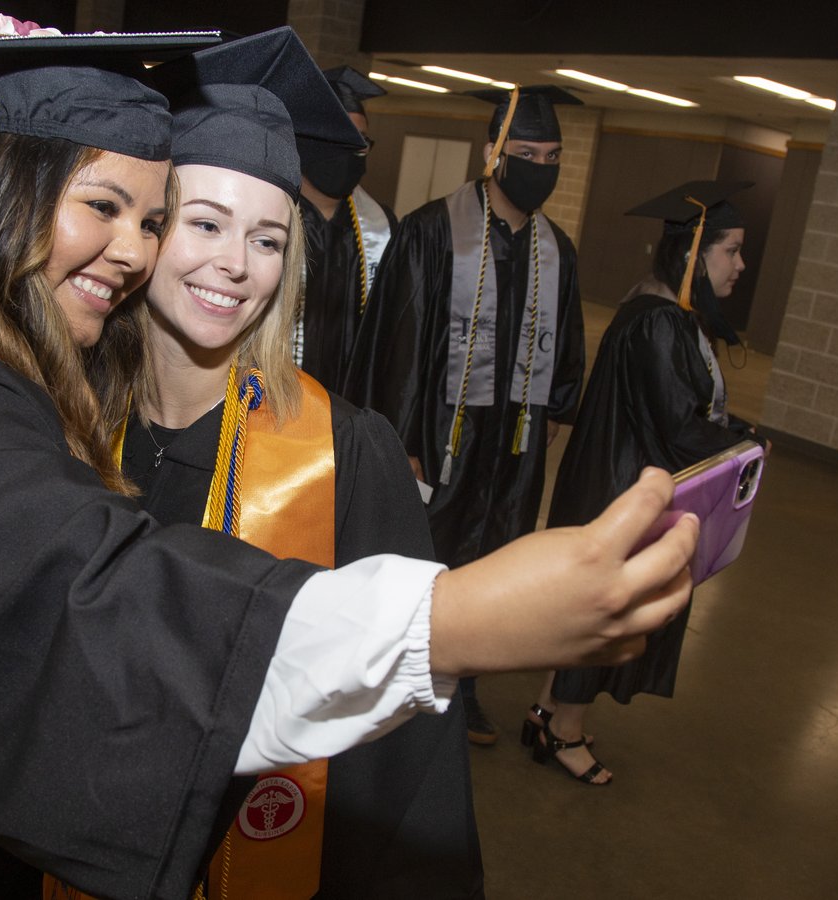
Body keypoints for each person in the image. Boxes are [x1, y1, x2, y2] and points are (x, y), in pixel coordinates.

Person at [0, 27, 697, 900]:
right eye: (147, 214)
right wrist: (457, 621)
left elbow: (398, 793)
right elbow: (78, 608)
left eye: (263, 237)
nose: (149, 249)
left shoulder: (334, 447)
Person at [90, 28, 482, 898]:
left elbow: (404, 749)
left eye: (268, 240)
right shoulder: (68, 420)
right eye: (205, 223)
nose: (235, 265)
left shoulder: (345, 456)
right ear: (147, 232)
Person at [344, 85, 587, 745]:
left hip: (512, 445)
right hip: (440, 436)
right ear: (493, 153)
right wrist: (401, 441)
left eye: (552, 156)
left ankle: (466, 687)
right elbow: (398, 345)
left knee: (497, 559)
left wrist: (549, 418)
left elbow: (565, 348)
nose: (540, 167)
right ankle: (402, 680)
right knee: (427, 557)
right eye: (526, 153)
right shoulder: (432, 231)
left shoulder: (556, 250)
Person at [527, 181, 768, 785]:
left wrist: (735, 429)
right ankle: (564, 732)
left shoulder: (660, 311)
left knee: (590, 607)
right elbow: (679, 427)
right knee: (609, 613)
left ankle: (546, 710)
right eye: (731, 250)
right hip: (625, 490)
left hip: (616, 478)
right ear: (694, 254)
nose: (740, 264)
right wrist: (744, 445)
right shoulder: (659, 322)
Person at [292, 66, 394, 394]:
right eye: (340, 137)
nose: (352, 150)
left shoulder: (384, 227)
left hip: (350, 403)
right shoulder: (267, 221)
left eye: (361, 142)